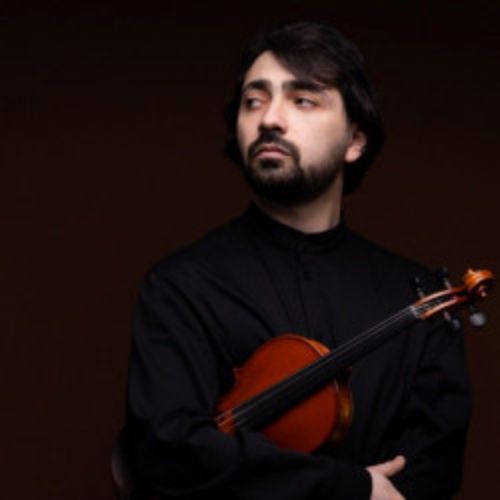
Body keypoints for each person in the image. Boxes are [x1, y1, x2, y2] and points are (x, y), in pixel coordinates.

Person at [124, 22, 471, 499]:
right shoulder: (181, 286)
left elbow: (433, 470)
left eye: (303, 99)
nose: (270, 118)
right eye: (254, 100)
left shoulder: (420, 297)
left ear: (355, 140)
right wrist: (349, 489)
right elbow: (169, 452)